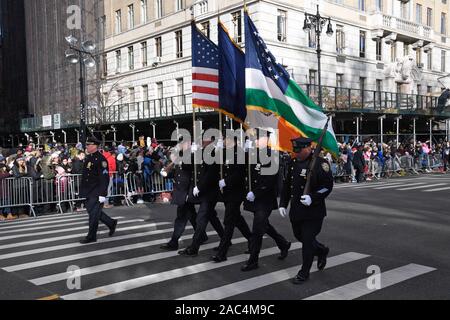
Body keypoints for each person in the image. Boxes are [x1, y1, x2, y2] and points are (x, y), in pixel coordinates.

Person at [279, 137, 333, 284]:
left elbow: (327, 186)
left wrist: (313, 197)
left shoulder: (321, 164)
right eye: (295, 150)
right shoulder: (293, 163)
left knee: (307, 242)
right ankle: (321, 250)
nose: (296, 153)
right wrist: (283, 204)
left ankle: (304, 272)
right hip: (297, 211)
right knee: (300, 237)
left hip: (313, 212)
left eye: (299, 150)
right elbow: (287, 185)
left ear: (309, 148)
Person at [242, 129, 291, 272]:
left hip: (265, 199)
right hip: (254, 198)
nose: (254, 141)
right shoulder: (253, 153)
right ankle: (283, 243)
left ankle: (253, 260)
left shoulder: (272, 155)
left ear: (266, 139)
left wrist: (255, 193)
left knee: (257, 229)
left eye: (257, 139)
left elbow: (269, 180)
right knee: (264, 225)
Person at [178, 140, 225, 257]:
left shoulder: (214, 152)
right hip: (202, 191)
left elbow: (211, 173)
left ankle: (194, 247)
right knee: (211, 217)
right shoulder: (200, 152)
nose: (201, 141)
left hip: (210, 191)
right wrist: (189, 153)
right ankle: (226, 239)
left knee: (201, 219)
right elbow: (186, 165)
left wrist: (199, 187)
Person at [159, 140, 207, 251]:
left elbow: (194, 176)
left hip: (186, 192)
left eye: (183, 143)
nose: (180, 145)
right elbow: (178, 173)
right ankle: (202, 235)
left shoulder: (192, 156)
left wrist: (189, 193)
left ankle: (174, 242)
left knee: (181, 218)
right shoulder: (181, 156)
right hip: (180, 191)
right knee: (191, 216)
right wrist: (167, 173)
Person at [211, 136, 252, 262]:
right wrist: (216, 149)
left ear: (231, 140)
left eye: (224, 139)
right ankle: (252, 240)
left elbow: (240, 173)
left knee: (228, 222)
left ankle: (222, 253)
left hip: (236, 192)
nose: (223, 141)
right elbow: (213, 159)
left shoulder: (239, 153)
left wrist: (226, 181)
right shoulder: (224, 152)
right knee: (237, 219)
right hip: (227, 193)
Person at [79, 136, 118, 244]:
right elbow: (86, 176)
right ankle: (111, 223)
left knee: (93, 214)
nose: (86, 146)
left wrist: (102, 194)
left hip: (96, 191)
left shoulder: (101, 159)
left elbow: (104, 178)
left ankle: (91, 236)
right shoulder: (89, 157)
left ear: (94, 146)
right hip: (89, 190)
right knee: (93, 212)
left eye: (88, 145)